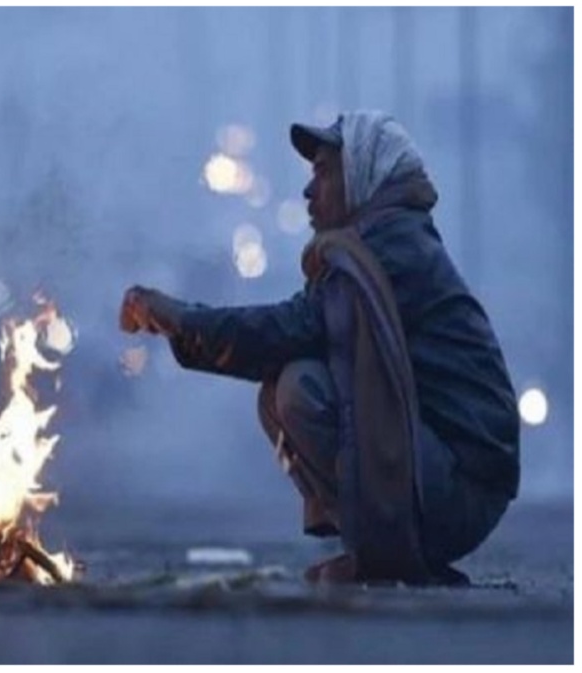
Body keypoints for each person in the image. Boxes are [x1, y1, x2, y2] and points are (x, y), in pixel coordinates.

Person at [120, 111, 519, 585]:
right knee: (282, 388)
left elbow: (292, 327)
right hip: (445, 473)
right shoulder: (375, 243)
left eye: (324, 172)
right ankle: (383, 550)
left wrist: (182, 318)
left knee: (299, 387)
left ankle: (388, 556)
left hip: (461, 487)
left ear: (364, 176)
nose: (310, 191)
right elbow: (298, 328)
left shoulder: (392, 248)